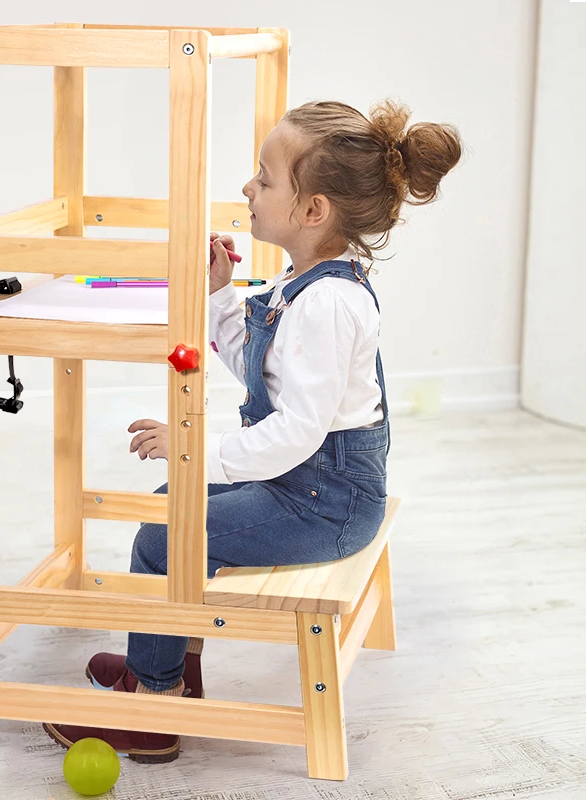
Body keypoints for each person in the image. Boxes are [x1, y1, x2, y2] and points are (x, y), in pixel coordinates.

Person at [44, 98, 463, 762]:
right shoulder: (306, 284)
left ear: (313, 210)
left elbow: (296, 432)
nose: (247, 187)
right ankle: (169, 664)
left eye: (265, 179)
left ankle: (152, 702)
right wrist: (221, 294)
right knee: (167, 509)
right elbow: (263, 374)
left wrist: (195, 451)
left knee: (163, 538)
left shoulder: (327, 304)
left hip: (325, 503)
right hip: (301, 487)